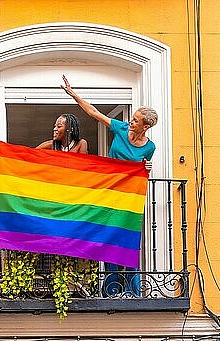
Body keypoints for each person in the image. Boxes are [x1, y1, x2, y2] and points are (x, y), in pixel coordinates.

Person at [60, 75, 157, 297]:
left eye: (135, 120)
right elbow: (94, 113)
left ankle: (133, 290)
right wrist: (73, 94)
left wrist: (146, 169)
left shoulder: (149, 148)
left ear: (146, 126)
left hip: (128, 196)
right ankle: (111, 287)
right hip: (109, 191)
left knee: (128, 238)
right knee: (109, 237)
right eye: (132, 118)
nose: (131, 122)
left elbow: (142, 174)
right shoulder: (121, 129)